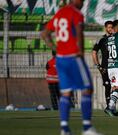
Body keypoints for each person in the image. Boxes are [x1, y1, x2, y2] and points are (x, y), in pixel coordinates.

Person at [41, 0, 102, 135]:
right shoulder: (76, 13)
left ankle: (65, 129)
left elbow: (44, 34)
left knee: (66, 92)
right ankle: (87, 128)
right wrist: (80, 51)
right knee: (87, 89)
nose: (83, 3)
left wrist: (55, 49)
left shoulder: (59, 13)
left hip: (61, 58)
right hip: (73, 57)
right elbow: (79, 32)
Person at [92, 21, 118, 115]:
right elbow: (94, 52)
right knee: (108, 87)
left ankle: (114, 108)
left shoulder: (117, 38)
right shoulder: (102, 39)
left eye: (112, 27)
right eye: (109, 27)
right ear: (105, 28)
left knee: (116, 87)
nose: (110, 29)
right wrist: (98, 66)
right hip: (105, 67)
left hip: (115, 66)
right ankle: (110, 108)